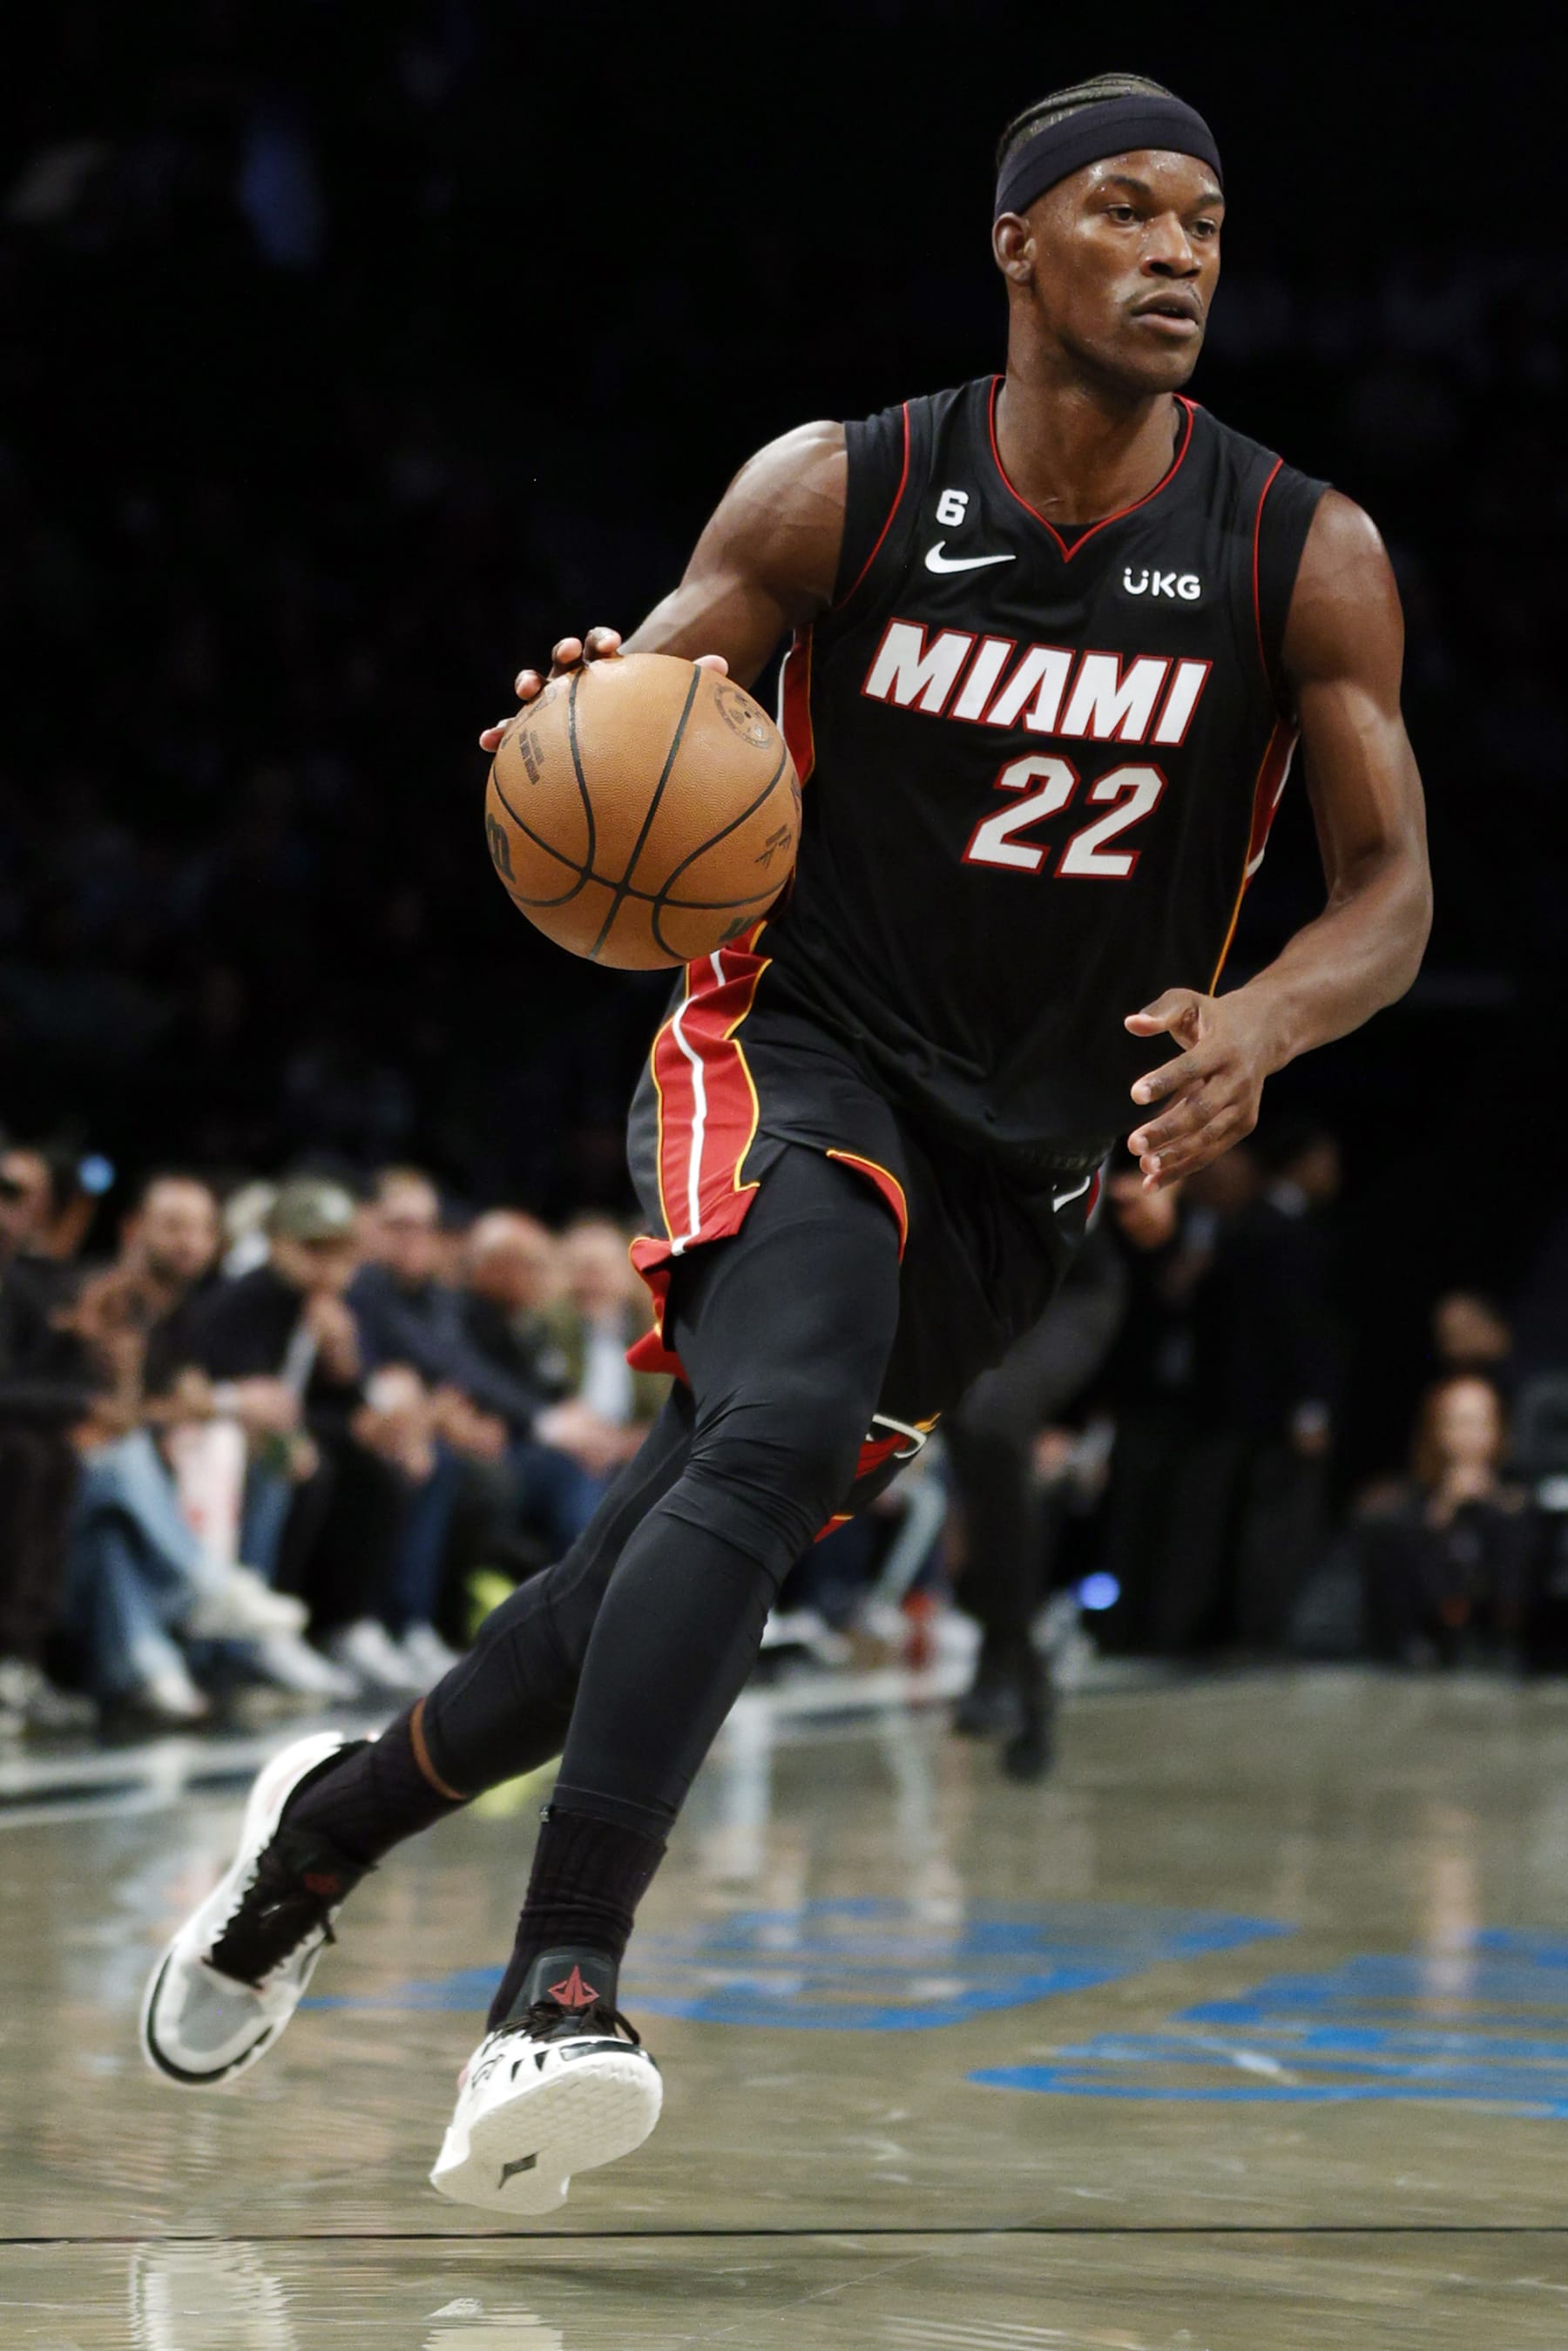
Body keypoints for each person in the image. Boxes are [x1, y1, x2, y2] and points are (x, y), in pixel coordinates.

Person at [142, 73, 1431, 2219]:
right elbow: (634, 713)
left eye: (1207, 217)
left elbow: (1389, 895)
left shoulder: (1306, 547)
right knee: (770, 1432)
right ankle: (559, 1987)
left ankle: (322, 1830)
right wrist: (584, 718)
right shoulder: (845, 487)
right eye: (1126, 209)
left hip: (1026, 1165)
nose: (1182, 250)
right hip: (792, 1048)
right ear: (1016, 243)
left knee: (650, 1559)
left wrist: (1268, 1019)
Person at [1355, 1375, 1533, 1665]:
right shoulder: (1399, 1509)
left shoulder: (1517, 1507)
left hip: (1500, 1663)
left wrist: (1498, 1513)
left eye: (1482, 1422)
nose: (1471, 1435)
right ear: (1436, 1429)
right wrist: (1441, 1516)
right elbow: (1396, 1610)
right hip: (1416, 1663)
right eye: (1460, 1422)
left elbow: (1516, 1603)